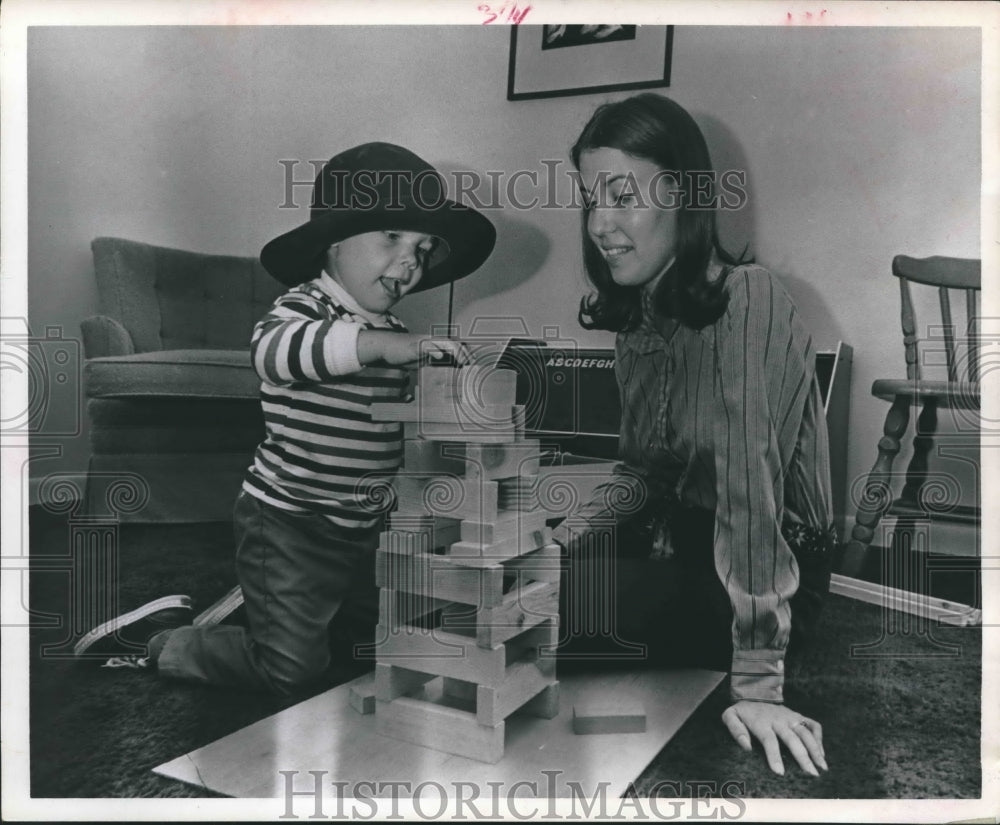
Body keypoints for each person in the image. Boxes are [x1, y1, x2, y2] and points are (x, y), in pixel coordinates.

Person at [74, 142, 497, 695]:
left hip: (361, 524)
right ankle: (165, 643)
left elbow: (396, 417)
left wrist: (445, 389)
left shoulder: (391, 331)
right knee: (290, 670)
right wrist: (383, 347)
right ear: (333, 242)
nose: (411, 260)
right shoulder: (302, 309)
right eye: (392, 236)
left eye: (423, 248)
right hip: (289, 521)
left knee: (378, 640)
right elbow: (275, 353)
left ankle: (254, 607)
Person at [552, 93, 834, 777]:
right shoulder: (638, 323)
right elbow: (645, 475)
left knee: (534, 622)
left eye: (623, 197)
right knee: (506, 593)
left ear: (683, 195)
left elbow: (750, 491)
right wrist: (562, 540)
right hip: (677, 541)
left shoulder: (748, 296)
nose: (601, 225)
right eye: (592, 200)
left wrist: (759, 684)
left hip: (767, 566)